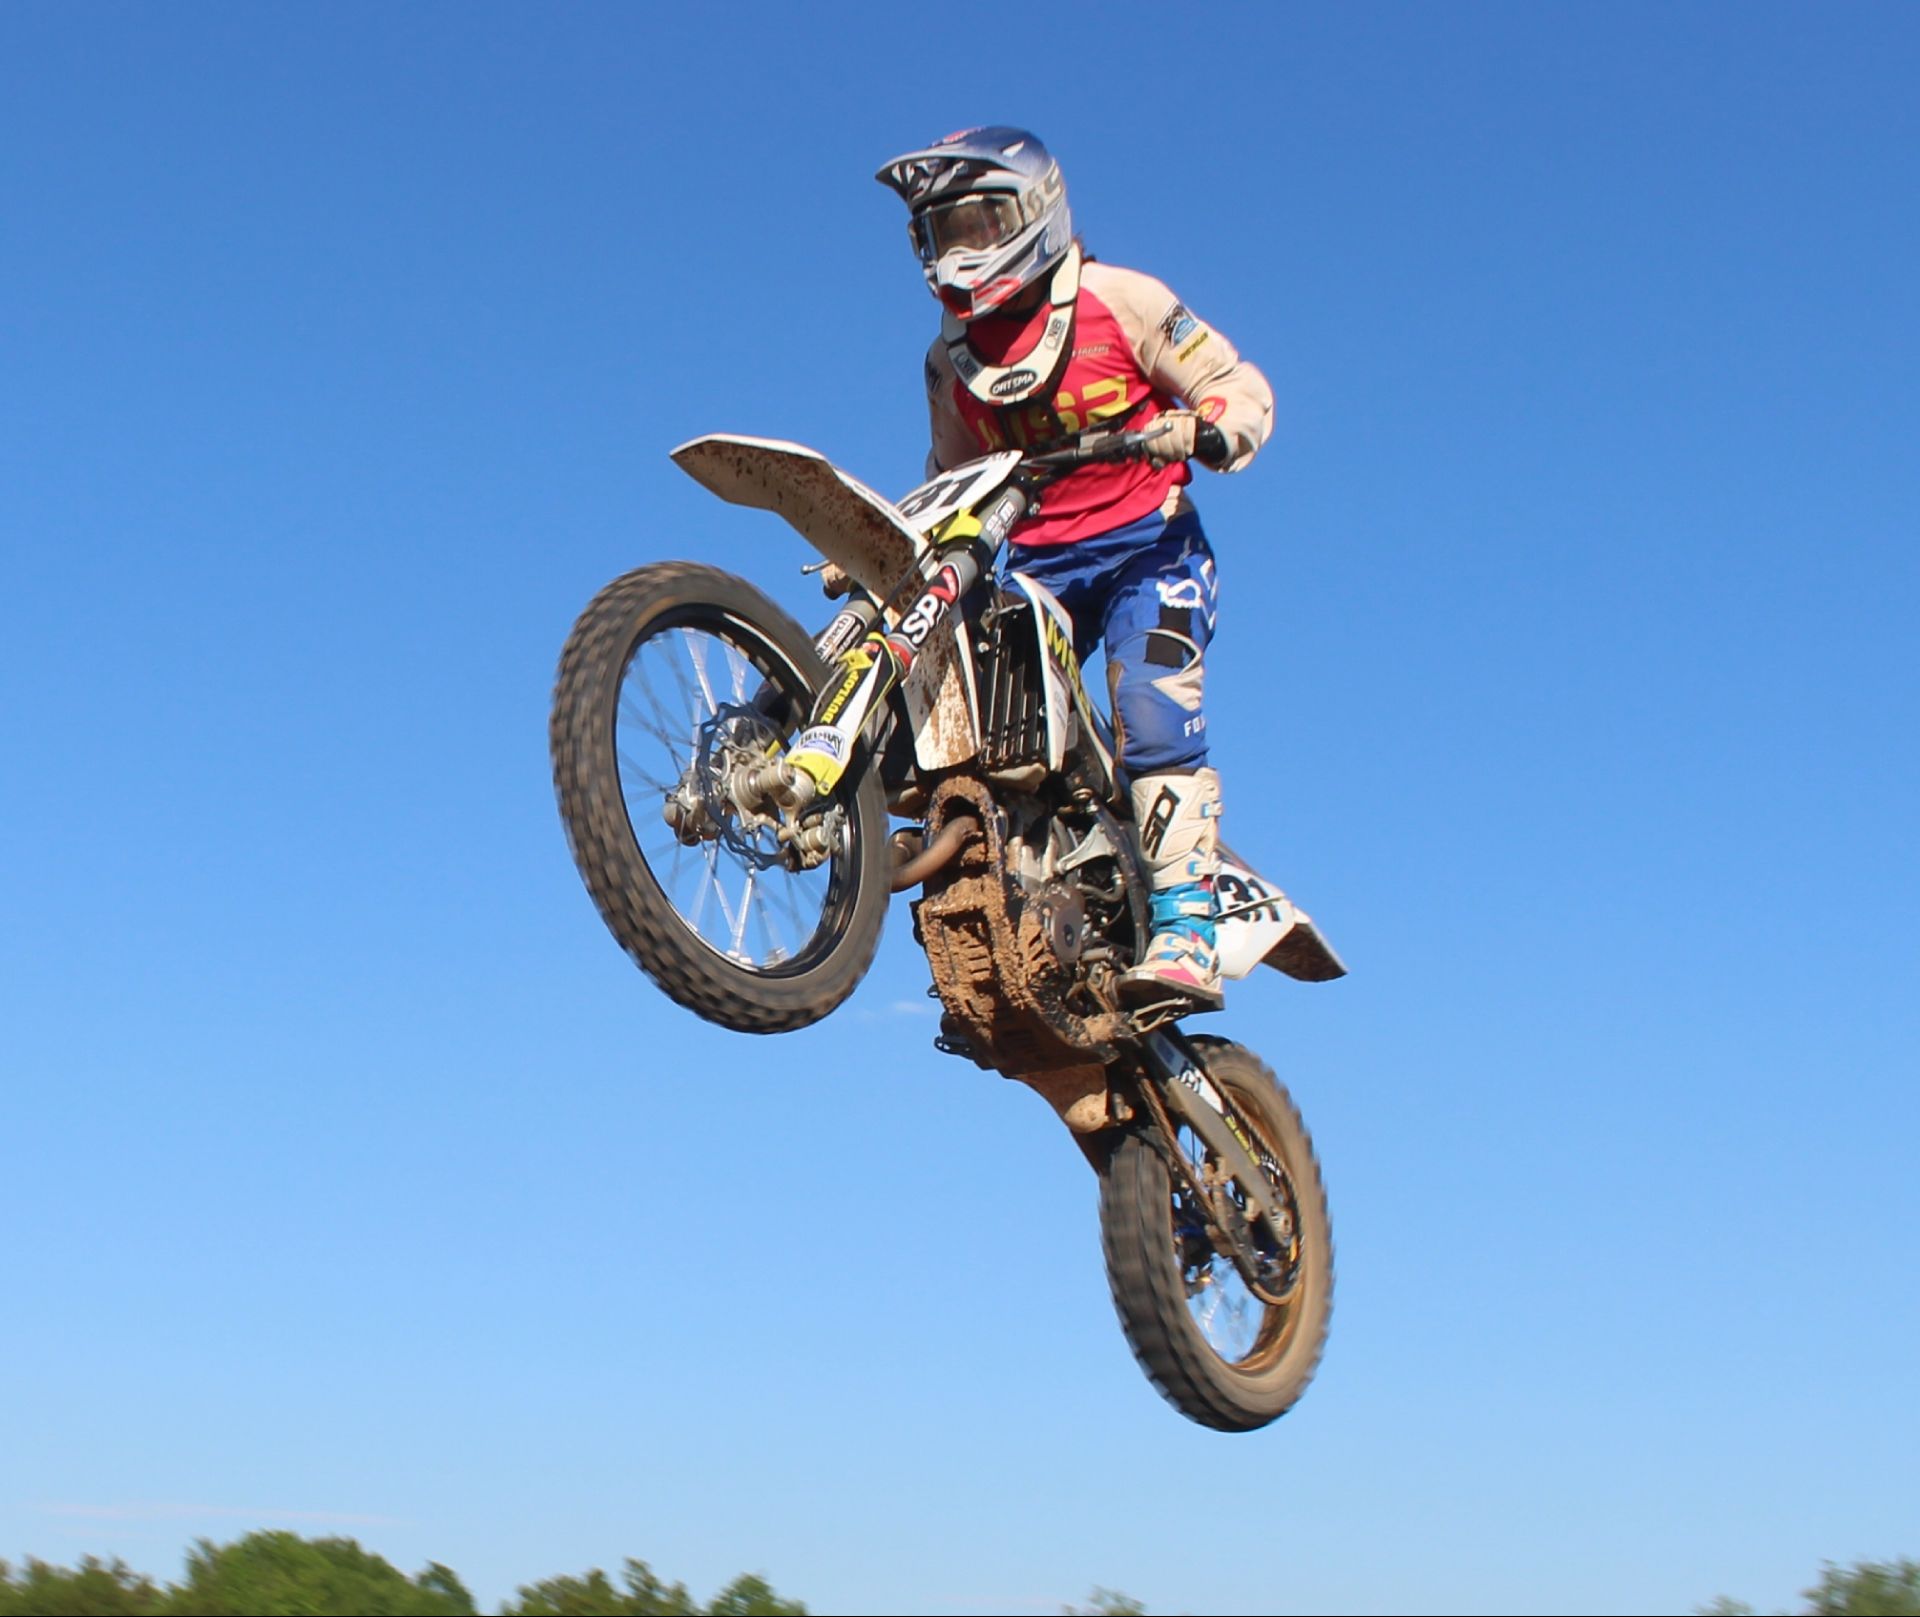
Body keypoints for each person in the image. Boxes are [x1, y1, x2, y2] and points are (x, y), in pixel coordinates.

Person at [876, 126, 1276, 1012]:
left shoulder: (1120, 301)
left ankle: (1187, 928)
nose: (962, 252)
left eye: (980, 224)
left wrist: (1208, 425)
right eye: (943, 233)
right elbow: (950, 480)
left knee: (1151, 710)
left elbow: (1234, 382)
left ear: (1036, 212)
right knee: (970, 716)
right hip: (1038, 568)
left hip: (1150, 548)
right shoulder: (951, 362)